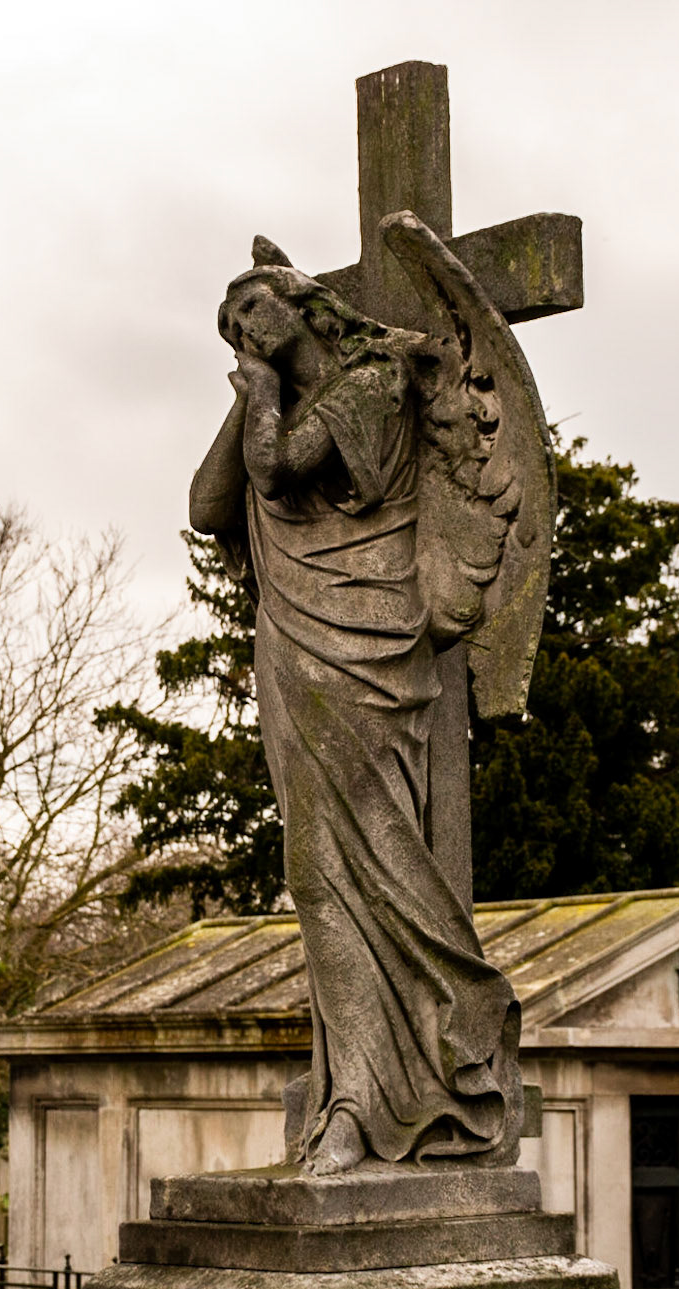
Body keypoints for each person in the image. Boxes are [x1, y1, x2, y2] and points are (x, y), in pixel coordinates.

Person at [189, 255, 521, 1177]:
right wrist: (250, 390)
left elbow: (278, 463)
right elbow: (208, 503)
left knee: (376, 851)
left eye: (253, 309)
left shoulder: (374, 383)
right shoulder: (273, 395)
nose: (244, 330)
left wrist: (259, 390)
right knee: (317, 872)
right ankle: (351, 1096)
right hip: (292, 642)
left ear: (302, 302)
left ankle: (447, 1033)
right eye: (230, 326)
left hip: (371, 643)